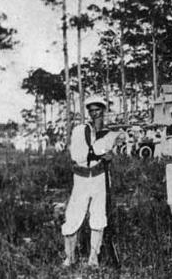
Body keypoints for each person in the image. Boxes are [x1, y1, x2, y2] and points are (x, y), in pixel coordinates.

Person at [61, 95, 125, 268]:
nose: (96, 114)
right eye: (92, 111)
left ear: (103, 112)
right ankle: (70, 257)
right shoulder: (80, 130)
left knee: (98, 218)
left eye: (99, 110)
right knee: (73, 218)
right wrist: (101, 151)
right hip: (81, 179)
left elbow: (114, 146)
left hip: (99, 179)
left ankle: (93, 259)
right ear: (88, 113)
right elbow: (78, 155)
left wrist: (110, 150)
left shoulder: (109, 134)